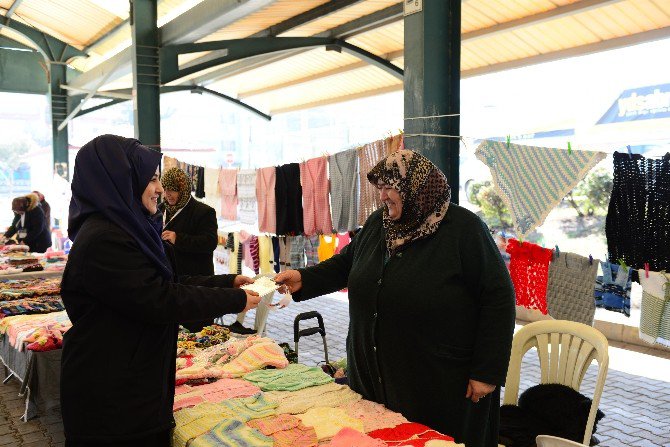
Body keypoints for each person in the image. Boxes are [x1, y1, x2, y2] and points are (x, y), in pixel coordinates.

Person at [275, 149, 516, 447]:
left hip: (440, 383)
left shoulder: (464, 230)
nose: (384, 196)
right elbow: (347, 263)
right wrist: (303, 279)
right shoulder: (381, 223)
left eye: (391, 188)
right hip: (375, 378)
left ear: (418, 188)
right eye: (381, 188)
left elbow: (498, 298)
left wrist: (486, 371)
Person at [60, 135, 260, 447]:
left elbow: (168, 285)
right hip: (113, 400)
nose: (159, 190)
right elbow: (160, 299)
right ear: (123, 178)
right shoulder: (105, 239)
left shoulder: (129, 230)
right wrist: (234, 300)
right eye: (151, 178)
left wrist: (228, 283)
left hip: (131, 387)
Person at [159, 167, 222, 332]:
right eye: (165, 189)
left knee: (197, 333)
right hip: (171, 284)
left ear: (183, 189)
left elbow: (210, 242)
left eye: (173, 190)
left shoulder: (203, 212)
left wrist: (178, 238)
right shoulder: (160, 210)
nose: (168, 194)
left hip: (196, 285)